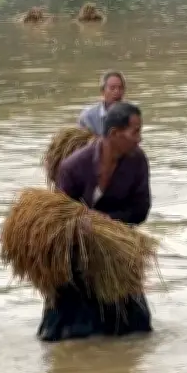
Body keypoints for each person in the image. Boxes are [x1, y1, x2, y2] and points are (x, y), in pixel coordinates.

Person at [38, 101, 152, 342]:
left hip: (116, 253)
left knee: (136, 330)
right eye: (135, 132)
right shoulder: (74, 167)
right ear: (113, 134)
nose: (140, 139)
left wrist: (107, 222)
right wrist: (85, 225)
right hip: (78, 255)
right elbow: (59, 217)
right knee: (69, 333)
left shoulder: (137, 162)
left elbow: (141, 210)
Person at [77, 70, 127, 136]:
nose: (117, 91)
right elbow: (80, 144)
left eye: (120, 88)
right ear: (103, 91)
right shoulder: (87, 117)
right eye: (112, 88)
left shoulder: (131, 115)